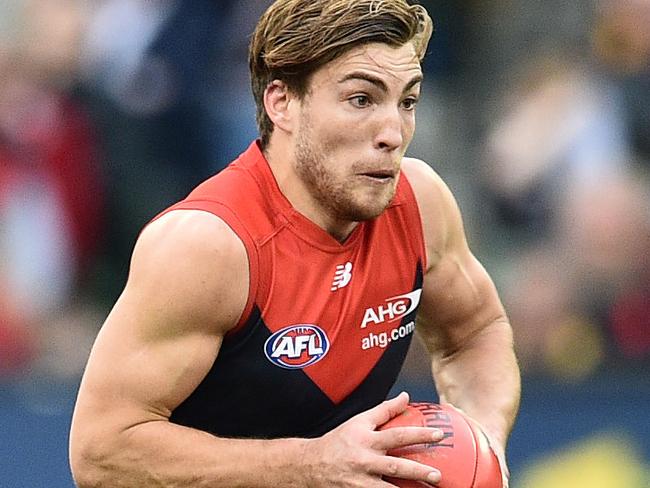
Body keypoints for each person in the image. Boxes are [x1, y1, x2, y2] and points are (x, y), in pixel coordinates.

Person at [69, 1, 520, 486]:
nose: (393, 132)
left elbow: (475, 333)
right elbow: (102, 450)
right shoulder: (211, 246)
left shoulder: (420, 204)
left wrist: (483, 444)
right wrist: (309, 464)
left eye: (406, 101)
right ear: (281, 102)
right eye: (362, 100)